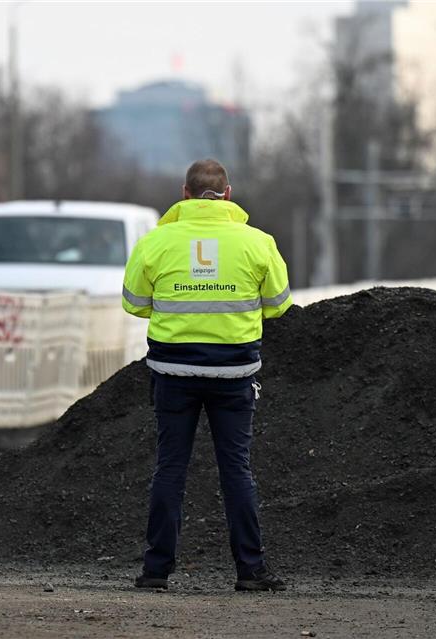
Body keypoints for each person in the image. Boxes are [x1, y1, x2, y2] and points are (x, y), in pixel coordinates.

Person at [122, 158, 293, 592]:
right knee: (236, 469)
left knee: (170, 469)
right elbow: (277, 304)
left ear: (184, 194)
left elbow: (134, 302)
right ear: (228, 194)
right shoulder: (258, 243)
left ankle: (156, 571)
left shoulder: (155, 242)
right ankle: (250, 571)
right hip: (234, 374)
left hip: (172, 373)